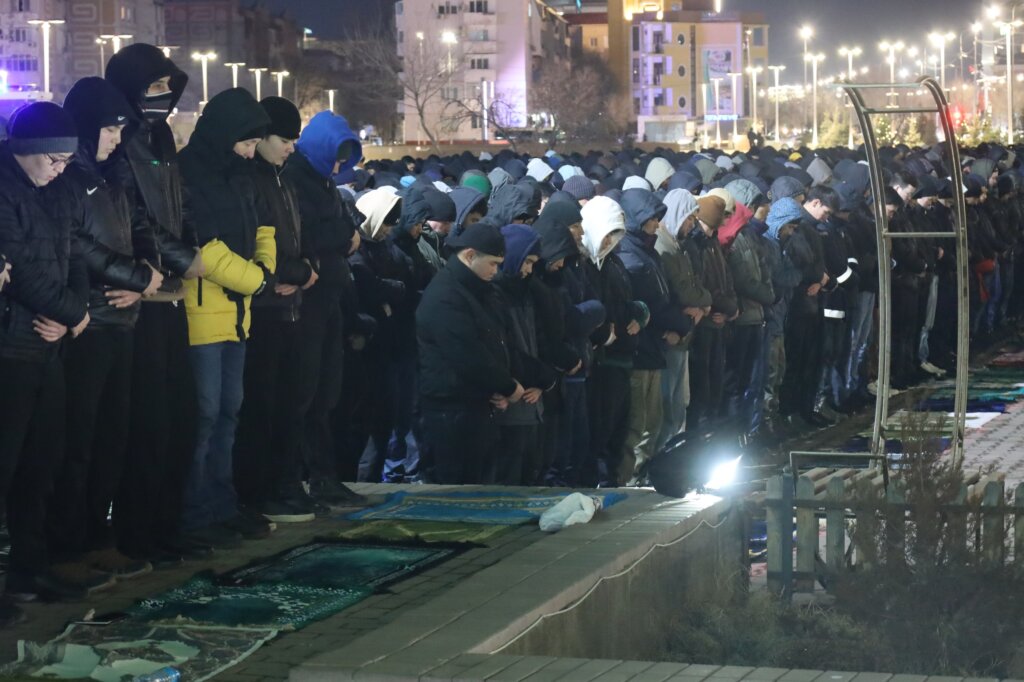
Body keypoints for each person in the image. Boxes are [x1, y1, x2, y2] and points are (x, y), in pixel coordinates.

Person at [48, 78, 162, 585]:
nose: (116, 140)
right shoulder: (66, 177)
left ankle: (98, 537)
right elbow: (75, 244)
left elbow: (141, 229)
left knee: (112, 438)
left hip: (123, 321)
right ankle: (66, 544)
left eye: (120, 131)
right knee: (77, 440)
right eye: (110, 130)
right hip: (87, 324)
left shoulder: (114, 176)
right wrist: (134, 276)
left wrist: (146, 275)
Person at [105, 44, 205, 563]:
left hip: (171, 293)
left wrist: (189, 250)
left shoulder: (161, 135)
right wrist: (176, 260)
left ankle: (168, 524)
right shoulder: (119, 142)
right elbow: (133, 216)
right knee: (148, 422)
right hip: (140, 293)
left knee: (181, 416)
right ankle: (138, 532)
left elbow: (179, 203)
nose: (164, 97)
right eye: (155, 87)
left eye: (168, 87)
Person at [0, 102, 92, 612]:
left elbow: (73, 254)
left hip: (48, 347)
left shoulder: (58, 191)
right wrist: (71, 312)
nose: (59, 170)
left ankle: (29, 570)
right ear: (26, 150)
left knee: (42, 465)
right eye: (53, 160)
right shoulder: (5, 189)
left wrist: (75, 312)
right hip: (10, 348)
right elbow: (18, 269)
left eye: (66, 162)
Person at [177, 88, 276, 548]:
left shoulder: (242, 177)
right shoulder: (190, 172)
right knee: (202, 415)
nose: (251, 152)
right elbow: (204, 246)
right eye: (246, 142)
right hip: (200, 312)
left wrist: (263, 270)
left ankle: (222, 504)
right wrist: (258, 281)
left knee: (228, 414)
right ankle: (193, 512)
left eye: (255, 144)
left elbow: (263, 229)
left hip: (238, 313)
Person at [233, 96, 320, 524]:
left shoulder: (284, 179)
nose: (290, 147)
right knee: (261, 406)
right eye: (283, 139)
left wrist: (307, 270)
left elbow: (299, 241)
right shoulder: (252, 179)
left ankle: (284, 484)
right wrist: (298, 272)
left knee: (290, 403)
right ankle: (260, 491)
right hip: (264, 309)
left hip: (291, 307)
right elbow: (257, 245)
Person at [282, 110, 367, 506]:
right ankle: (297, 477)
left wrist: (344, 234)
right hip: (307, 300)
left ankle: (323, 476)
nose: (337, 168)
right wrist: (344, 234)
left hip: (329, 295)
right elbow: (310, 232)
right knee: (304, 392)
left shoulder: (322, 180)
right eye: (336, 158)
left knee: (326, 392)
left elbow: (345, 226)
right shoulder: (295, 177)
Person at [416, 223, 525, 484]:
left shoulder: (474, 291)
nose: (495, 271)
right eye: (493, 264)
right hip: (451, 411)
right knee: (456, 488)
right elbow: (468, 355)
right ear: (470, 255)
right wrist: (508, 387)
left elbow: (495, 343)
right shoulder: (446, 295)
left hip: (473, 406)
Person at [617, 188, 691, 484]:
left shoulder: (646, 252)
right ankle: (631, 481)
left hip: (652, 349)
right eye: (650, 218)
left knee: (653, 422)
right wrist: (682, 323)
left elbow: (664, 296)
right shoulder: (630, 255)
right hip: (640, 351)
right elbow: (654, 303)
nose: (656, 223)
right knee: (637, 425)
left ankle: (643, 476)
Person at [655, 189, 710, 449]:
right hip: (672, 334)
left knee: (678, 403)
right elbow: (682, 290)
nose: (692, 225)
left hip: (683, 333)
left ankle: (675, 453)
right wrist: (704, 301)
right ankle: (665, 457)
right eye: (689, 218)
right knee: (668, 404)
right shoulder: (664, 247)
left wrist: (702, 303)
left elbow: (693, 283)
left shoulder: (678, 246)